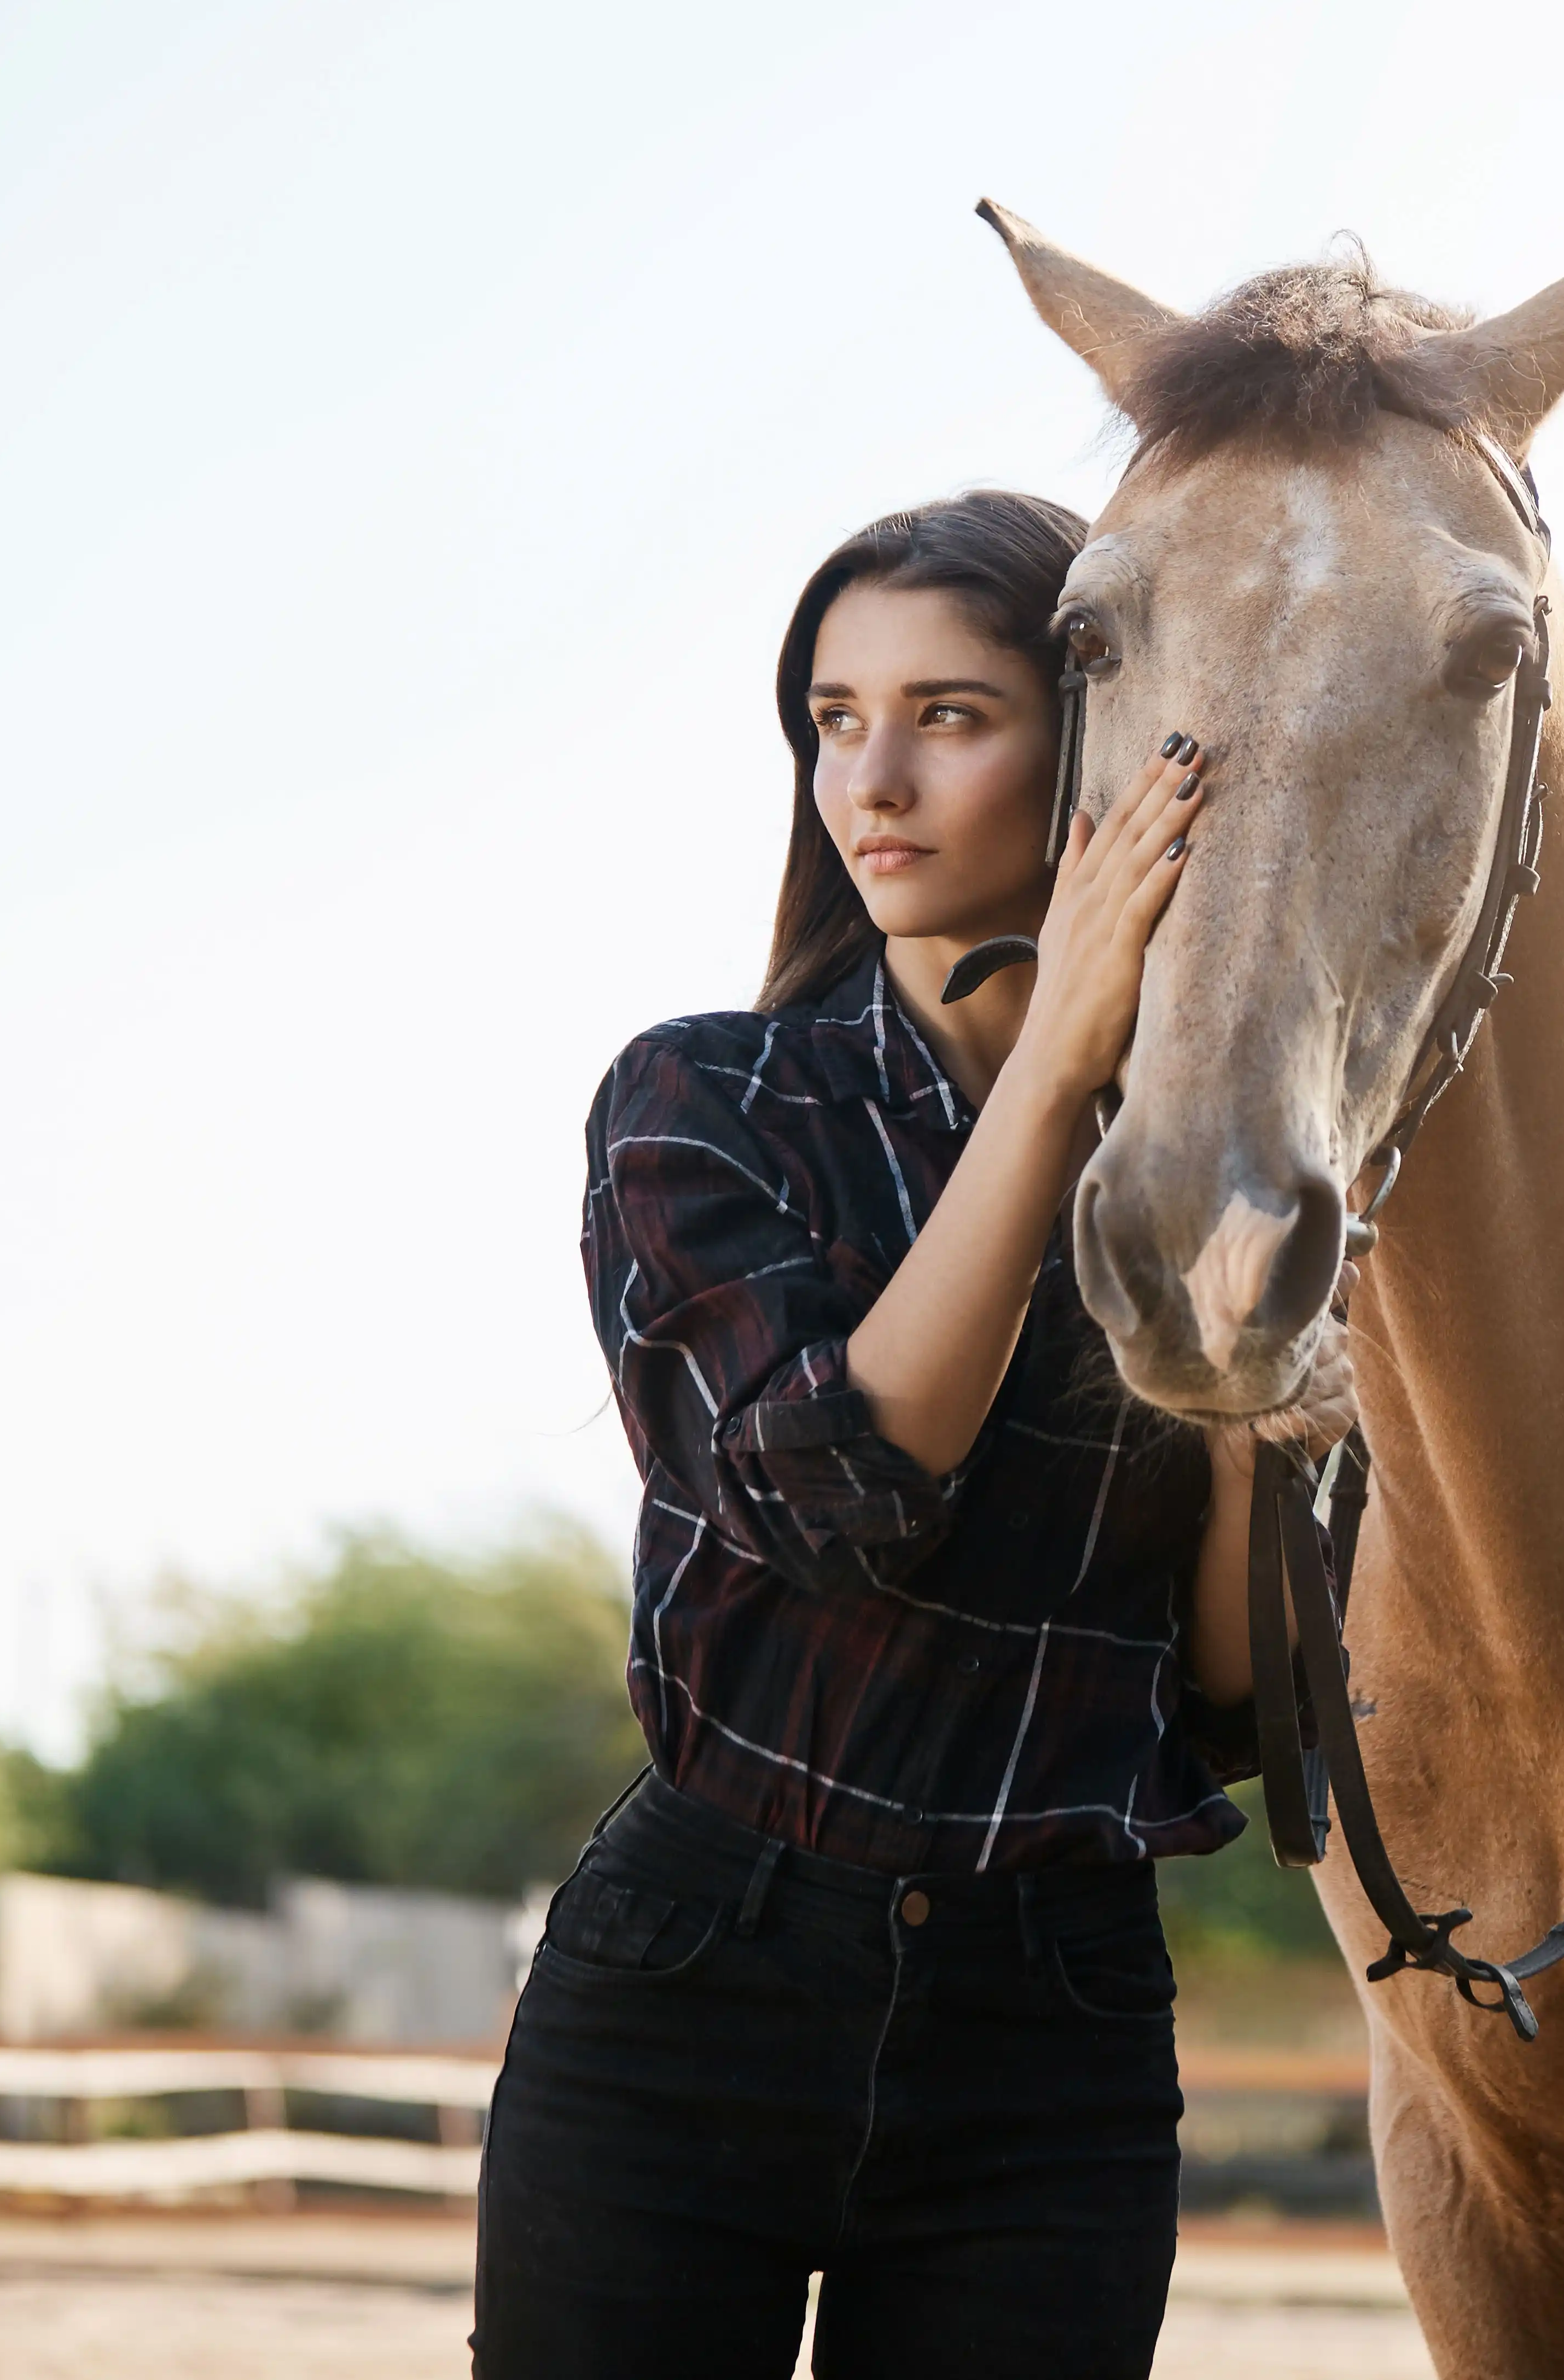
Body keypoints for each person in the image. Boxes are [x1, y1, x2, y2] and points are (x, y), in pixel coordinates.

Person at [474, 489, 1252, 2378]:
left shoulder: (1221, 1175)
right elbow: (842, 1496)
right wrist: (1061, 1063)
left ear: (1099, 759)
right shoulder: (700, 1104)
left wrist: (1256, 1349)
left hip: (1051, 2023)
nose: (872, 782)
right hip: (692, 1982)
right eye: (834, 718)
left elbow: (1230, 1693)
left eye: (950, 716)